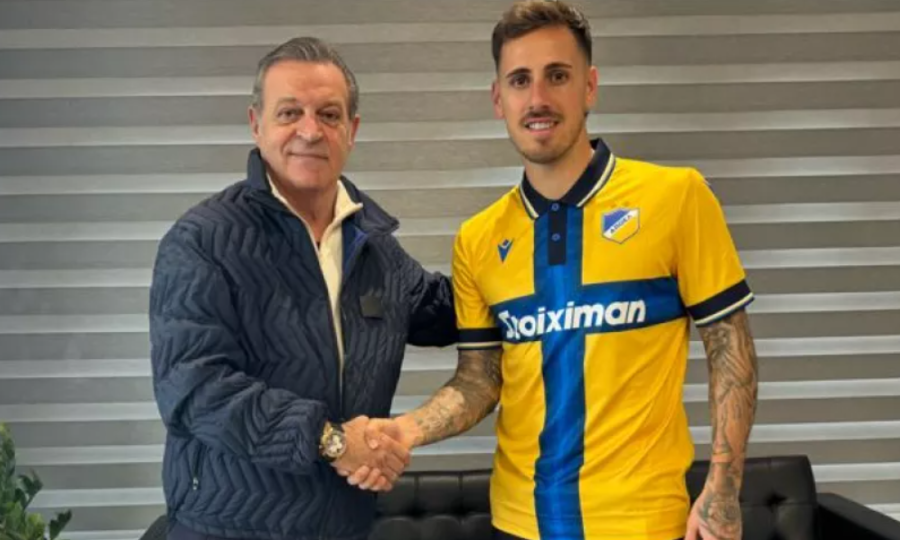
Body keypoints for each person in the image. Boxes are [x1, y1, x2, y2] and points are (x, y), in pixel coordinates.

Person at [358, 2, 759, 540]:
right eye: (520, 80)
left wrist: (723, 489)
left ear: (589, 87)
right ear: (498, 99)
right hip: (517, 522)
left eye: (558, 76)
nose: (538, 99)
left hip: (643, 523)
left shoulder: (677, 197)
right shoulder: (478, 238)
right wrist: (403, 431)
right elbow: (480, 379)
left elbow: (730, 350)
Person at [148, 36, 457, 540]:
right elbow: (194, 388)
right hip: (224, 529)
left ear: (352, 130)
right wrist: (329, 440)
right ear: (256, 124)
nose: (310, 131)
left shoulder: (374, 247)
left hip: (343, 527)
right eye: (290, 112)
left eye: (329, 115)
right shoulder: (201, 241)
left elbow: (449, 311)